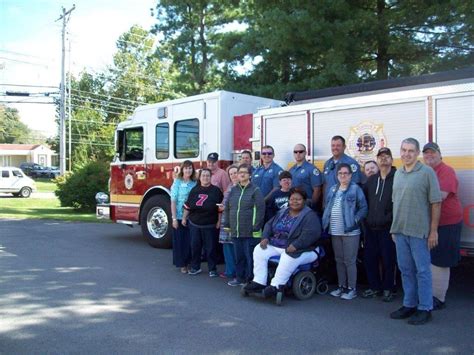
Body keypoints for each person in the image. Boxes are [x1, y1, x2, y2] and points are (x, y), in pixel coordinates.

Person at [390, 138, 442, 325]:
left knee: (422, 271)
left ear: (417, 153)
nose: (406, 154)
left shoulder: (427, 172)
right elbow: (396, 202)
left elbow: (436, 202)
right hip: (400, 231)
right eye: (404, 150)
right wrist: (394, 229)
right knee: (405, 270)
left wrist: (433, 231)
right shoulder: (398, 173)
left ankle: (425, 307)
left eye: (411, 150)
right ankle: (409, 304)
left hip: (420, 231)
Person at [244, 188, 322, 297]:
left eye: (298, 199)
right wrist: (265, 237)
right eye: (292, 199)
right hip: (279, 245)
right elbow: (269, 225)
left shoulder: (309, 216)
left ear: (304, 201)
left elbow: (311, 234)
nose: (294, 201)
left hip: (304, 249)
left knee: (288, 255)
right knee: (259, 249)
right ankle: (259, 281)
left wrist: (296, 245)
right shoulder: (283, 211)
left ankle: (276, 286)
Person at [422, 142, 463, 310]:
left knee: (441, 260)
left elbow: (440, 196)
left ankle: (439, 297)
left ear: (440, 154)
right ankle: (431, 294)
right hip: (432, 222)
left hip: (447, 222)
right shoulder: (426, 172)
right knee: (432, 259)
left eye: (432, 153)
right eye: (426, 153)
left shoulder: (446, 171)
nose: (429, 156)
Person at [323, 163, 368, 300]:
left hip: (350, 231)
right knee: (339, 260)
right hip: (335, 230)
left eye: (345, 173)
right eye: (340, 173)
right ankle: (341, 286)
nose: (343, 176)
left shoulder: (355, 189)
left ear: (350, 175)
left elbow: (363, 208)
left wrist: (355, 220)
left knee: (350, 260)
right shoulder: (332, 189)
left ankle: (351, 288)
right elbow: (327, 205)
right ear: (337, 176)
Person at [362, 148, 397, 301]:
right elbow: (363, 202)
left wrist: (389, 218)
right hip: (371, 227)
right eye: (380, 157)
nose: (383, 159)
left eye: (386, 156)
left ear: (392, 159)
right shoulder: (371, 180)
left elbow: (400, 204)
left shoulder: (398, 178)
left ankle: (389, 288)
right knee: (370, 258)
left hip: (388, 228)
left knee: (389, 259)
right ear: (377, 160)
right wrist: (366, 219)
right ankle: (374, 287)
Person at [224, 164, 265, 286]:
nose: (241, 174)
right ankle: (239, 278)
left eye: (245, 172)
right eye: (240, 172)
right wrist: (227, 224)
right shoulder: (234, 190)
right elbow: (227, 208)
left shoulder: (255, 190)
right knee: (239, 256)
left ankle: (250, 280)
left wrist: (256, 226)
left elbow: (260, 209)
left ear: (250, 175)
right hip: (236, 230)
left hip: (250, 231)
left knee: (250, 258)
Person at [182, 168, 224, 277]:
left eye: (207, 176)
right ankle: (196, 267)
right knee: (195, 246)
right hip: (195, 223)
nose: (205, 177)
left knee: (211, 248)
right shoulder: (194, 190)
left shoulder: (216, 191)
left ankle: (212, 269)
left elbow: (220, 208)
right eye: (203, 175)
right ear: (199, 178)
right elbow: (188, 206)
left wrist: (219, 221)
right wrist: (184, 218)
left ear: (211, 177)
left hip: (210, 224)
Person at [170, 160, 197, 274]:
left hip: (192, 217)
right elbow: (173, 201)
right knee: (180, 242)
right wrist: (174, 218)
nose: (188, 170)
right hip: (179, 217)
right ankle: (182, 264)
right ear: (182, 170)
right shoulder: (177, 182)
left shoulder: (195, 183)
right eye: (186, 168)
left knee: (190, 242)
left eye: (190, 168)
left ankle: (190, 262)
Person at [218, 164, 239, 280]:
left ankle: (237, 272)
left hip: (236, 221)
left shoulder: (242, 187)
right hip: (226, 220)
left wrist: (225, 207)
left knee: (236, 247)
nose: (233, 175)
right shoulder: (229, 187)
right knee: (227, 247)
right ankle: (229, 271)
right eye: (231, 174)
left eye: (235, 173)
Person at [289, 143, 322, 208]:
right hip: (293, 205)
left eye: (301, 151)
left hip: (306, 205)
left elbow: (317, 190)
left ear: (305, 153)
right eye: (295, 152)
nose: (298, 154)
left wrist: (312, 205)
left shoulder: (312, 169)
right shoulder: (291, 170)